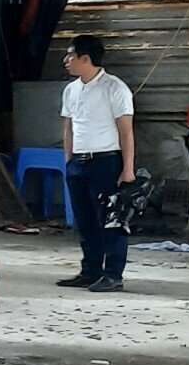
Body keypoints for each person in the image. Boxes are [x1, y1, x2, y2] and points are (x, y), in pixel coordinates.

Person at [59, 33, 137, 293]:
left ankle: (113, 274)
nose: (66, 60)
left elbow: (126, 131)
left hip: (105, 161)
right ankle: (90, 270)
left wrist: (127, 169)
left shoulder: (114, 88)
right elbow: (69, 128)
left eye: (71, 55)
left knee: (111, 220)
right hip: (78, 163)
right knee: (85, 220)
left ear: (86, 58)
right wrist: (68, 160)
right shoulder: (71, 90)